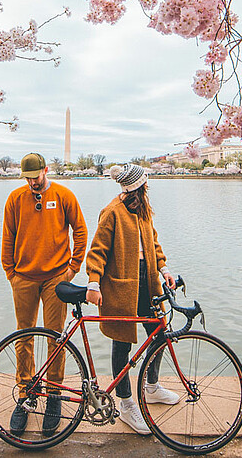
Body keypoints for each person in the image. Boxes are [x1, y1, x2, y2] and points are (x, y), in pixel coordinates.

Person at [84, 163, 179, 435]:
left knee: (160, 335)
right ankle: (125, 403)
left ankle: (151, 386)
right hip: (121, 287)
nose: (147, 188)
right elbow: (98, 251)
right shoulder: (112, 211)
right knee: (122, 343)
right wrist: (93, 281)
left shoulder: (144, 212)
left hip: (147, 283)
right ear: (138, 186)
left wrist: (164, 269)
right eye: (145, 184)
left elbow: (154, 244)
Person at [1, 152, 88, 437]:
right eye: (27, 179)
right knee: (23, 336)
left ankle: (54, 396)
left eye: (36, 177)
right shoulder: (15, 199)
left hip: (55, 278)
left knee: (56, 336)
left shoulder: (64, 195)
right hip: (23, 278)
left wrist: (72, 269)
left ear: (46, 170)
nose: (32, 183)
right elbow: (8, 237)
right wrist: (10, 273)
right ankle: (26, 394)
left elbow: (81, 231)